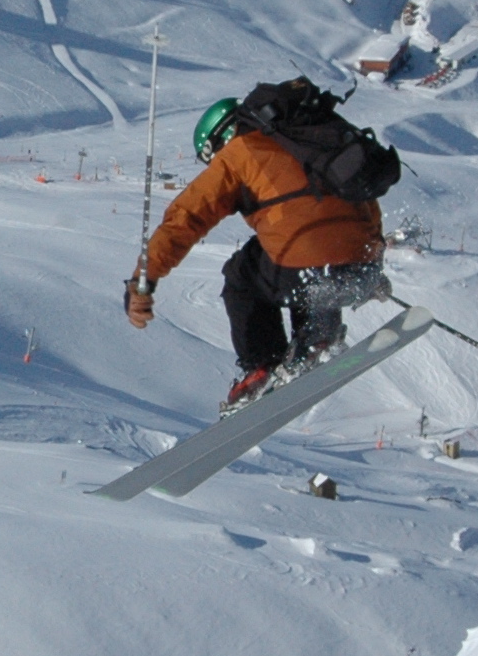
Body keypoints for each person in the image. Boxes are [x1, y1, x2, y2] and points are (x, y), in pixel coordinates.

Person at [125, 79, 389, 412]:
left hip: (312, 264)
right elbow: (359, 195)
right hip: (362, 264)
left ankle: (262, 366)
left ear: (217, 142)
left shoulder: (239, 152)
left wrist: (142, 281)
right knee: (285, 254)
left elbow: (184, 219)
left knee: (243, 274)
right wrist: (369, 263)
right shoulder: (309, 138)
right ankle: (318, 334)